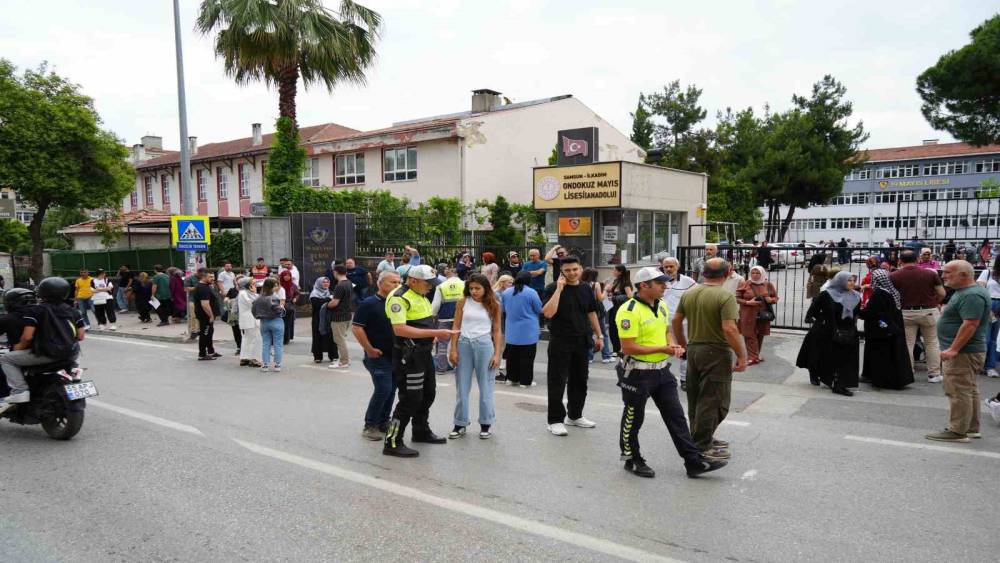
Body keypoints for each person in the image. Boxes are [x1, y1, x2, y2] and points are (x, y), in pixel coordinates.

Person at [616, 267, 728, 479]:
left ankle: (693, 461)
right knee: (633, 418)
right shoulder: (629, 310)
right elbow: (628, 347)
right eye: (660, 283)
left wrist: (672, 344)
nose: (665, 286)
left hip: (662, 372)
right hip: (638, 373)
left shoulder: (661, 305)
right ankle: (632, 459)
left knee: (676, 417)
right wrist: (663, 348)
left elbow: (667, 330)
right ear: (644, 286)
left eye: (665, 282)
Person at [672, 258, 746, 461]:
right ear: (728, 273)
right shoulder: (725, 296)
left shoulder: (690, 293)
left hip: (694, 349)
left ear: (704, 273)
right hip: (716, 351)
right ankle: (702, 444)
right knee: (715, 400)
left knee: (696, 398)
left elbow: (676, 320)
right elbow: (730, 329)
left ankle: (699, 437)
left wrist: (684, 344)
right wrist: (742, 356)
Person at [383, 265, 458, 458]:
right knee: (410, 399)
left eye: (433, 283)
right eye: (428, 283)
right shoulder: (399, 297)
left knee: (428, 394)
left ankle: (420, 430)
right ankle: (392, 442)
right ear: (413, 280)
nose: (431, 287)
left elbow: (422, 322)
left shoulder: (421, 294)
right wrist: (436, 332)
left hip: (424, 353)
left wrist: (431, 336)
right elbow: (400, 329)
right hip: (409, 356)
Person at [925, 260, 992, 443]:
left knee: (958, 390)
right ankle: (970, 428)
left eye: (948, 272)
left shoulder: (971, 295)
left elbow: (970, 324)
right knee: (968, 389)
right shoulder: (967, 292)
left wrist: (953, 349)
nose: (943, 276)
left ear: (963, 275)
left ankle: (957, 431)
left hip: (963, 353)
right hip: (966, 352)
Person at [0, 277, 86, 413]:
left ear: (43, 292)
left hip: (47, 353)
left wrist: (17, 348)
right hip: (71, 354)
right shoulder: (74, 311)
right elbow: (80, 336)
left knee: (6, 359)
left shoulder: (36, 311)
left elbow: (27, 337)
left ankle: (20, 391)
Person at [542, 256, 603, 436]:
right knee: (557, 381)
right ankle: (555, 420)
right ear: (562, 272)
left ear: (580, 269)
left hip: (582, 340)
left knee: (580, 380)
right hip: (560, 340)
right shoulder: (552, 288)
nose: (572, 273)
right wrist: (559, 289)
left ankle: (575, 415)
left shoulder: (585, 288)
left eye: (575, 269)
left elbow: (591, 312)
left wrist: (599, 335)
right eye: (567, 270)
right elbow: (548, 313)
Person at [447, 274, 502, 440]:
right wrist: (453, 349)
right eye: (471, 288)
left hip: (484, 344)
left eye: (477, 288)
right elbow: (456, 326)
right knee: (462, 386)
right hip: (463, 343)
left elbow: (497, 330)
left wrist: (497, 354)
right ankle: (460, 423)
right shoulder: (462, 302)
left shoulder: (494, 304)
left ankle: (486, 424)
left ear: (486, 288)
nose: (474, 291)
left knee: (486, 386)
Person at [353, 271, 402, 441]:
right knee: (383, 389)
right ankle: (370, 425)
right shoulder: (369, 303)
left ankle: (383, 422)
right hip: (377, 356)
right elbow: (357, 328)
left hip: (395, 354)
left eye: (398, 282)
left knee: (391, 389)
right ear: (380, 284)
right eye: (392, 282)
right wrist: (369, 349)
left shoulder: (397, 302)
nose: (397, 285)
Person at [798, 271, 861, 396]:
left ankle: (841, 383)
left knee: (846, 359)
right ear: (840, 281)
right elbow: (814, 311)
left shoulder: (856, 296)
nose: (852, 283)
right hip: (829, 330)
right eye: (849, 280)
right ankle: (834, 382)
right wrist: (825, 321)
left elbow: (856, 314)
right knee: (830, 357)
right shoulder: (827, 294)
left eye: (853, 280)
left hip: (848, 331)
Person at [891, 250, 945, 383]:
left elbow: (891, 296)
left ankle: (908, 372)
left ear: (900, 261)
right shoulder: (930, 274)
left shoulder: (894, 276)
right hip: (929, 311)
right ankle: (934, 374)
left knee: (908, 343)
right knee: (932, 343)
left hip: (906, 312)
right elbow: (942, 293)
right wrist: (935, 302)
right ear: (917, 260)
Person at [860, 269, 914, 389]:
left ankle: (881, 380)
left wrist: (859, 312)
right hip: (891, 329)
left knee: (880, 355)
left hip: (880, 330)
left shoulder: (879, 293)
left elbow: (873, 312)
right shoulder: (892, 291)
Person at [501, 271, 542, 387]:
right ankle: (525, 381)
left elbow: (503, 309)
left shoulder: (506, 292)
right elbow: (539, 309)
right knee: (527, 357)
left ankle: (511, 378)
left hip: (511, 329)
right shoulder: (531, 292)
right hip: (528, 329)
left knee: (512, 356)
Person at [660, 257, 696, 390]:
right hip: (662, 323)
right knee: (662, 350)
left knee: (685, 351)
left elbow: (697, 297)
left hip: (683, 323)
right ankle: (660, 379)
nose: (668, 269)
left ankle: (684, 379)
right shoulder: (658, 281)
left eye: (671, 266)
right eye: (666, 267)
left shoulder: (688, 282)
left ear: (677, 267)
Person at [736, 266, 778, 365]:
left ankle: (756, 354)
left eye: (757, 273)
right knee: (749, 335)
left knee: (760, 334)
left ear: (762, 274)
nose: (755, 275)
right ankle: (752, 357)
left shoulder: (767, 285)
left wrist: (770, 300)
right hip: (747, 313)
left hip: (762, 314)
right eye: (753, 273)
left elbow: (775, 297)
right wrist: (747, 302)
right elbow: (737, 298)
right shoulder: (746, 284)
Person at [431, 267, 464, 373]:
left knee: (442, 344)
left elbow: (436, 305)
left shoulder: (441, 286)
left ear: (447, 276)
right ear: (457, 274)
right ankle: (459, 367)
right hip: (461, 318)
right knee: (459, 342)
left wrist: (433, 315)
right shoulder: (464, 284)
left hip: (444, 318)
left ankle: (441, 367)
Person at [253, 278, 285, 372]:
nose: (277, 287)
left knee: (265, 344)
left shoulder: (259, 298)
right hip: (276, 321)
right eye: (275, 285)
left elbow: (253, 310)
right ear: (271, 287)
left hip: (264, 322)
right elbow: (278, 310)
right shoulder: (274, 297)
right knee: (278, 344)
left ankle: (265, 365)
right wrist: (282, 308)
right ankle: (277, 365)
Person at [582, 267, 613, 364]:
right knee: (602, 333)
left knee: (589, 333)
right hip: (597, 311)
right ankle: (606, 356)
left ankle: (589, 356)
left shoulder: (581, 284)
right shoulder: (596, 284)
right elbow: (600, 298)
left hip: (585, 311)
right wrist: (606, 290)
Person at [326, 264, 354, 370]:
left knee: (339, 339)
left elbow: (334, 303)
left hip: (338, 316)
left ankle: (344, 361)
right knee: (342, 338)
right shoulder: (349, 283)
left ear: (335, 272)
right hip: (347, 314)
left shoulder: (340, 285)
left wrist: (326, 305)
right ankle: (344, 358)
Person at [976, 256, 1000, 378]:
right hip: (988, 303)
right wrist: (988, 307)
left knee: (993, 340)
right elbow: (980, 289)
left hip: (998, 306)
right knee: (985, 338)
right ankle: (980, 365)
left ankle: (990, 366)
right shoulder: (987, 272)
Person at [308, 277, 338, 364]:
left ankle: (333, 356)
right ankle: (318, 356)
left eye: (327, 282)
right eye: (323, 282)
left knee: (331, 336)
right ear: (319, 283)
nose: (326, 284)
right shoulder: (314, 293)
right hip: (318, 318)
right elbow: (317, 304)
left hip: (329, 318)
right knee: (317, 336)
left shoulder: (331, 292)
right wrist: (328, 299)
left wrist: (329, 299)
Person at [606, 264, 634, 356]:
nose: (613, 272)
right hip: (613, 307)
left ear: (620, 272)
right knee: (612, 328)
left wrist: (616, 297)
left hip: (620, 308)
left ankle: (621, 349)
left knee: (619, 328)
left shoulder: (625, 282)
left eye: (615, 270)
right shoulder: (615, 280)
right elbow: (611, 291)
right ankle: (616, 349)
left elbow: (630, 296)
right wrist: (608, 290)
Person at [193, 271, 221, 361]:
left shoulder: (206, 286)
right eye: (210, 277)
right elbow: (205, 304)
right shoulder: (202, 287)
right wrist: (211, 316)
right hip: (205, 315)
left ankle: (211, 351)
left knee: (209, 332)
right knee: (205, 334)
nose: (213, 279)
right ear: (203, 277)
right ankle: (202, 354)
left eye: (213, 276)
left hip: (207, 315)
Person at [237, 278, 262, 368]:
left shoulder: (246, 293)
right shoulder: (244, 293)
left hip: (249, 320)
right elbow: (254, 304)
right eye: (253, 284)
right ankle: (254, 359)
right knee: (255, 339)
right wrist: (255, 292)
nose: (255, 286)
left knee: (248, 339)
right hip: (251, 320)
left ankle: (245, 358)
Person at [278, 269, 298, 345]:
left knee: (288, 323)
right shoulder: (278, 285)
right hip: (279, 305)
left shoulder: (293, 285)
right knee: (279, 323)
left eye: (288, 275)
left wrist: (295, 298)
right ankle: (279, 338)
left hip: (289, 306)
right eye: (285, 275)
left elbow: (297, 293)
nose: (287, 277)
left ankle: (287, 338)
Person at [224, 278, 242, 355]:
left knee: (245, 332)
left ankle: (245, 347)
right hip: (234, 315)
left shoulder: (246, 290)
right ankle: (239, 347)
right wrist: (228, 300)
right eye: (237, 281)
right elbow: (226, 299)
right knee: (236, 331)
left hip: (243, 314)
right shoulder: (232, 290)